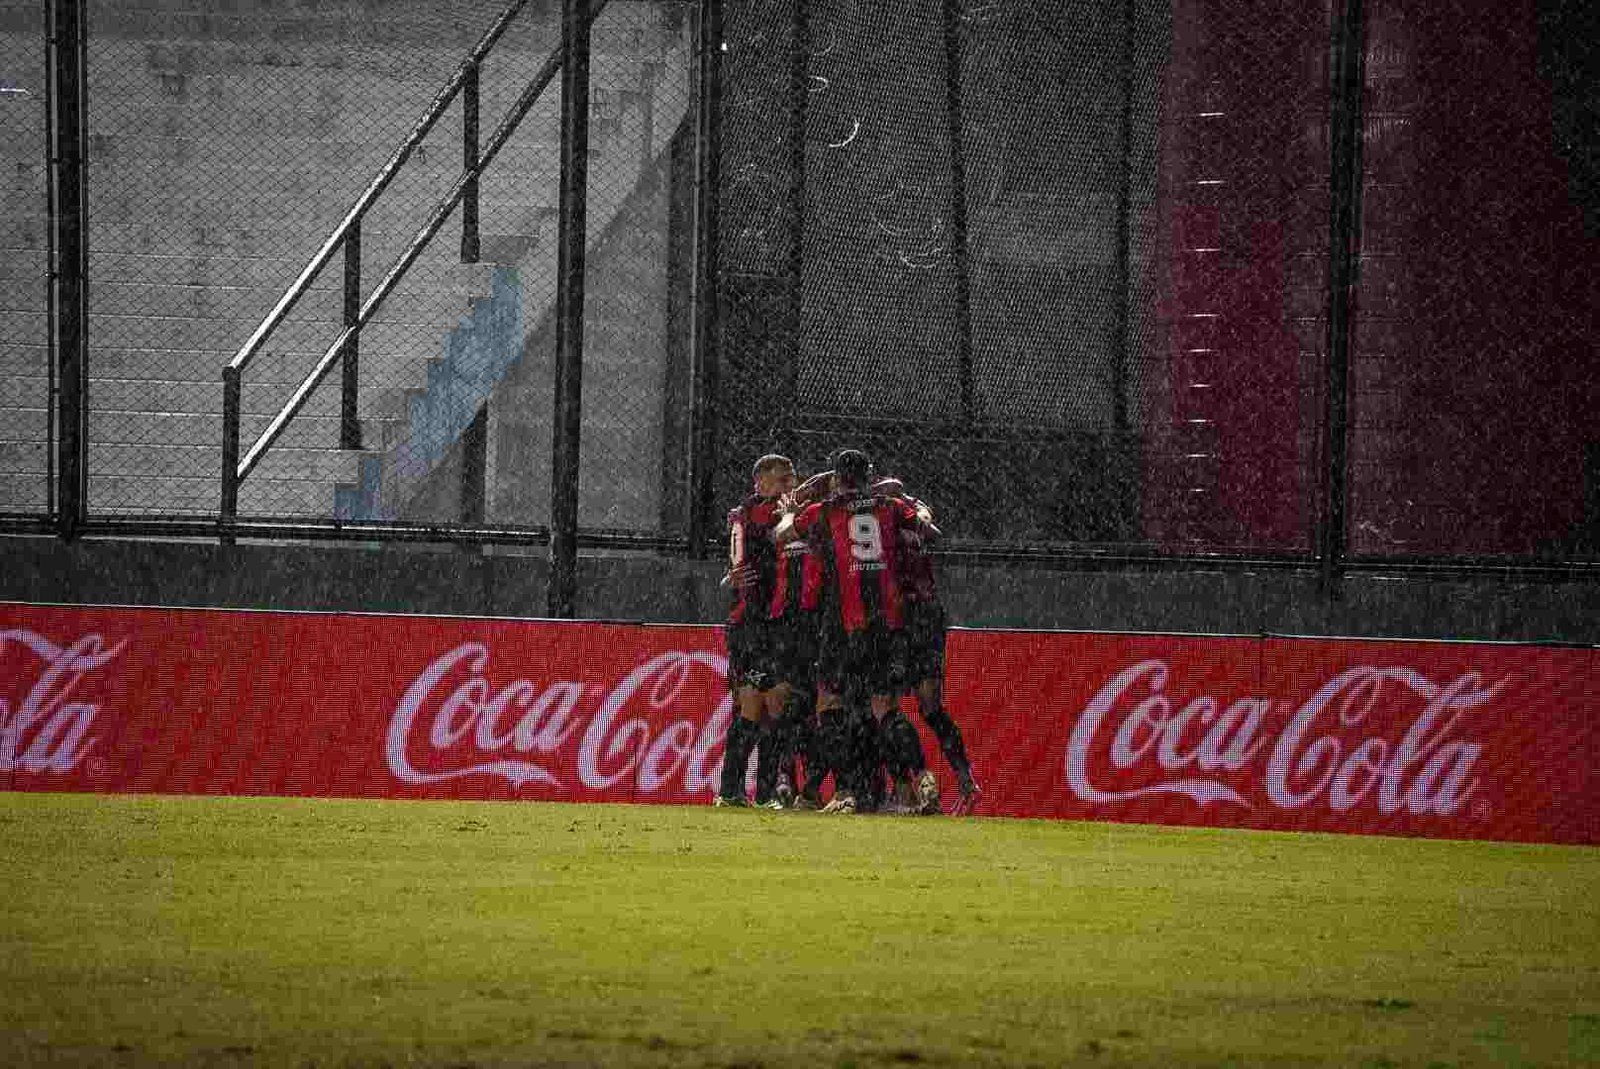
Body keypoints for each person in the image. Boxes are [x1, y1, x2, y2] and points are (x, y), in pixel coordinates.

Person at [776, 448, 936, 814]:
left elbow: (783, 535)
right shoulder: (890, 507)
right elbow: (926, 526)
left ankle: (845, 790)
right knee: (885, 707)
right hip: (889, 623)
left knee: (830, 704)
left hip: (844, 624)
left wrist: (791, 510)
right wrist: (921, 510)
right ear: (869, 475)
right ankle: (922, 775)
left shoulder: (825, 510)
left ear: (837, 478)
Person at [874, 476, 981, 815]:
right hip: (928, 615)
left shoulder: (878, 517)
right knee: (931, 708)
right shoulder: (914, 512)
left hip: (897, 617)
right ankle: (965, 778)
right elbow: (928, 527)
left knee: (883, 706)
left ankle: (908, 785)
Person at [716, 454, 809, 808]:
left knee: (764, 707)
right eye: (784, 479)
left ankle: (741, 791)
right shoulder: (761, 512)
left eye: (793, 478)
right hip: (754, 625)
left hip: (766, 623)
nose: (791, 485)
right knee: (762, 705)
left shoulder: (744, 513)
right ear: (762, 483)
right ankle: (744, 791)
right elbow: (779, 531)